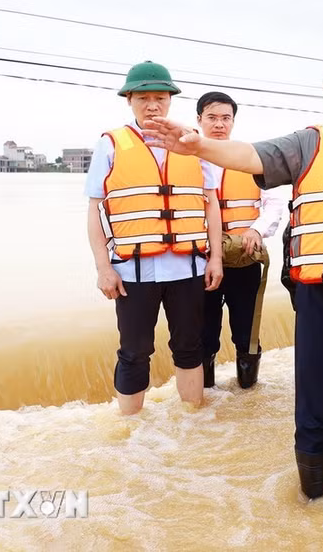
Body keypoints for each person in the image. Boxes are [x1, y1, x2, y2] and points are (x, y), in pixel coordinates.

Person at [143, 59, 323, 499]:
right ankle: (314, 504)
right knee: (317, 404)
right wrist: (199, 146)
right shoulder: (310, 143)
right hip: (322, 298)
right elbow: (250, 155)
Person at [84, 61, 223, 415]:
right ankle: (129, 433)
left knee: (190, 346)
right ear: (129, 100)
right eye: (143, 98)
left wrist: (216, 258)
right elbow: (95, 210)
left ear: (170, 101)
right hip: (133, 272)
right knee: (134, 350)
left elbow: (210, 205)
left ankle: (193, 422)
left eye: (160, 98)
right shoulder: (111, 144)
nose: (152, 106)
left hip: (188, 267)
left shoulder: (193, 143)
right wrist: (103, 267)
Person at [196, 91, 284, 389]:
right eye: (212, 118)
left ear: (233, 121)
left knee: (247, 331)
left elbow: (274, 203)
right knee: (203, 333)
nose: (219, 124)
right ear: (199, 120)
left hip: (244, 257)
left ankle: (247, 396)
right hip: (201, 259)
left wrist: (257, 229)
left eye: (225, 118)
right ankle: (204, 398)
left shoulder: (250, 159)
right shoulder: (187, 160)